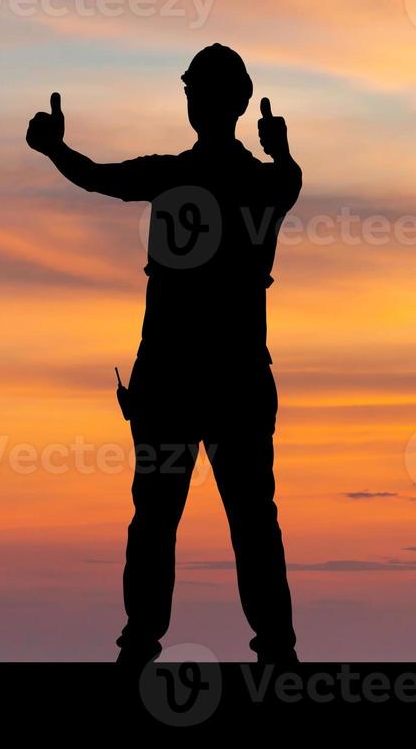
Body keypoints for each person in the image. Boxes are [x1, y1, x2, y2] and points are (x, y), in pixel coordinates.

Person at [25, 43, 301, 664]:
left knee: (158, 521)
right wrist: (278, 147)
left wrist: (55, 151)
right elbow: (288, 177)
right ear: (238, 103)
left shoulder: (171, 175)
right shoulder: (267, 182)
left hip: (175, 386)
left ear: (198, 101)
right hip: (232, 385)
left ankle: (143, 645)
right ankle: (276, 654)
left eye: (191, 90)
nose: (189, 98)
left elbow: (97, 176)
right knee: (248, 523)